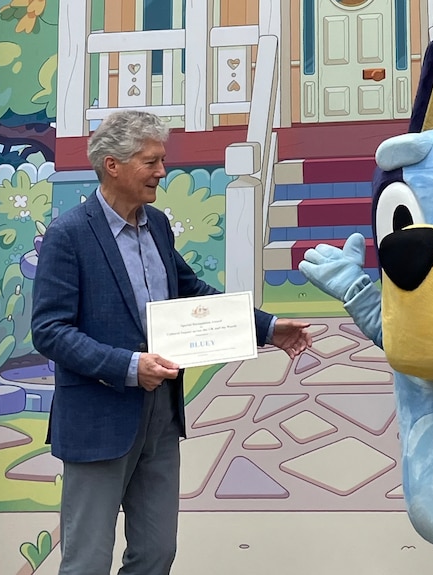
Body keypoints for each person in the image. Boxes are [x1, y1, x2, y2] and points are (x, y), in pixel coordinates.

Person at [31, 110, 312, 575]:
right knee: (87, 562)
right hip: (98, 420)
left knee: (157, 553)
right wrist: (127, 366)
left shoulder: (157, 225)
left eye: (163, 161)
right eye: (152, 161)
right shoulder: (69, 235)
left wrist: (267, 327)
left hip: (160, 416)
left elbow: (193, 294)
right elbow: (50, 330)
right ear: (112, 165)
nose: (163, 171)